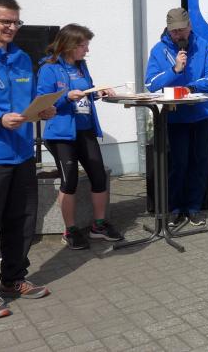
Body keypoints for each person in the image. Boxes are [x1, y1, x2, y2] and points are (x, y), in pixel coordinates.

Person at [0, 0, 56, 319]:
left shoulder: (21, 58)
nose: (12, 27)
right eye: (6, 21)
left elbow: (28, 101)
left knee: (22, 222)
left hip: (22, 154)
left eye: (16, 21)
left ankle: (14, 279)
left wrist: (43, 109)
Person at [37, 24, 124, 250]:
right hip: (61, 134)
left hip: (85, 130)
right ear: (69, 45)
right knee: (70, 181)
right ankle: (70, 230)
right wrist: (66, 97)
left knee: (98, 176)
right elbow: (43, 102)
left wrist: (98, 92)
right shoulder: (49, 68)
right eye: (83, 46)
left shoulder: (81, 65)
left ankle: (99, 226)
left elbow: (87, 92)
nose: (87, 50)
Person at [145, 8, 208, 228]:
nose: (178, 35)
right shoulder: (159, 50)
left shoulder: (202, 45)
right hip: (176, 117)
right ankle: (175, 209)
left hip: (202, 114)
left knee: (200, 161)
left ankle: (194, 208)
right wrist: (174, 70)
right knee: (178, 163)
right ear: (168, 30)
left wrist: (191, 87)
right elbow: (151, 84)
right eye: (174, 31)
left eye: (182, 30)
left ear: (190, 27)